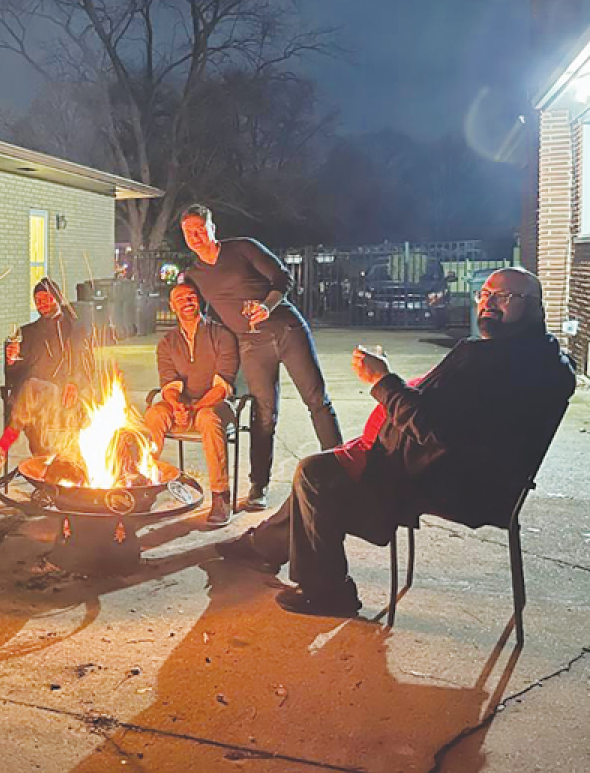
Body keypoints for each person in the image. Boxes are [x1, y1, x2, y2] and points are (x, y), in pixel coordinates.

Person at [216, 267, 576, 617]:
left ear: (534, 304)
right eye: (485, 294)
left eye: (505, 296)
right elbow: (450, 415)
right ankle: (259, 546)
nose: (488, 303)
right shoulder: (541, 358)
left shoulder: (500, 363)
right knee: (326, 472)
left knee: (316, 473)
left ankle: (326, 591)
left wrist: (383, 381)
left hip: (452, 481)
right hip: (473, 474)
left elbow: (438, 432)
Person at [180, 203, 341, 510]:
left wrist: (267, 306)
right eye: (189, 232)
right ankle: (259, 485)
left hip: (286, 330)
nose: (196, 236)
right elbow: (191, 310)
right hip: (251, 346)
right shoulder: (195, 275)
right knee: (263, 414)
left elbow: (283, 278)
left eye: (201, 229)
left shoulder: (242, 249)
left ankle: (342, 469)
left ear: (213, 228)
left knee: (316, 398)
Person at [143, 282, 239, 526]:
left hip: (216, 406)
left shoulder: (222, 335)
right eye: (180, 299)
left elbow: (221, 386)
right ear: (172, 306)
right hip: (183, 406)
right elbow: (169, 384)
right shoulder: (167, 342)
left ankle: (220, 496)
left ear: (199, 301)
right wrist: (177, 406)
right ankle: (144, 484)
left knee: (207, 418)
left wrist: (194, 409)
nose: (187, 302)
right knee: (154, 414)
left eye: (191, 297)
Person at [0, 278, 93, 475]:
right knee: (30, 387)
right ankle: (44, 465)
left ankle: (2, 448)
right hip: (34, 399)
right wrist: (12, 361)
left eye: (46, 298)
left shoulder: (75, 329)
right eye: (37, 300)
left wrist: (74, 383)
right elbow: (13, 377)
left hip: (63, 396)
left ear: (57, 298)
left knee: (31, 388)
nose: (41, 303)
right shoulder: (27, 332)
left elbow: (87, 366)